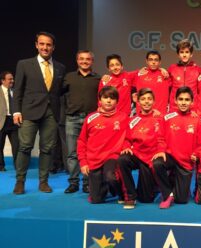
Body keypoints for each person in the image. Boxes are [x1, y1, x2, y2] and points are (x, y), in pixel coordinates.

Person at [12, 31, 66, 194]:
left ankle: (43, 182)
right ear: (36, 45)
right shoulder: (24, 64)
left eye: (48, 44)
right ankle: (20, 181)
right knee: (25, 147)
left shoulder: (60, 67)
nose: (45, 47)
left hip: (51, 113)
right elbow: (18, 90)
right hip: (28, 112)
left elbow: (59, 91)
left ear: (53, 47)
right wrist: (16, 112)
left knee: (47, 148)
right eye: (42, 44)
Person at [153, 86, 201, 209]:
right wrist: (161, 151)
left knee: (181, 200)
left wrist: (195, 154)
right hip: (171, 157)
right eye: (181, 99)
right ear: (175, 100)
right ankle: (168, 194)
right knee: (157, 163)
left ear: (192, 102)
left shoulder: (197, 120)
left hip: (186, 163)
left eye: (187, 100)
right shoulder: (167, 117)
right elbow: (161, 138)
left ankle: (176, 184)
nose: (183, 102)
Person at [77, 86, 128, 204]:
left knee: (110, 175)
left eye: (112, 98)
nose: (109, 101)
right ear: (100, 100)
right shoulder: (91, 118)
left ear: (117, 101)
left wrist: (125, 146)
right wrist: (83, 162)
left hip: (112, 156)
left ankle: (120, 191)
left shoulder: (123, 117)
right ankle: (103, 186)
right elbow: (81, 141)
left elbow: (129, 136)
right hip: (94, 159)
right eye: (105, 98)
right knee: (96, 200)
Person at [118, 88, 165, 209]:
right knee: (122, 159)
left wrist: (160, 151)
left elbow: (162, 139)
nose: (146, 102)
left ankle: (153, 186)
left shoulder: (160, 119)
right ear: (138, 102)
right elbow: (127, 139)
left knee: (146, 199)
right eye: (143, 99)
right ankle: (130, 195)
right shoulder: (133, 120)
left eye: (149, 99)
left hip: (151, 157)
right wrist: (127, 147)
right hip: (137, 155)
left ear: (154, 102)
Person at [63, 50, 101, 193]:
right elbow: (57, 95)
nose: (84, 61)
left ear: (92, 61)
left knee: (89, 153)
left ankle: (87, 183)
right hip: (72, 119)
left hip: (91, 120)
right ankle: (73, 183)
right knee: (72, 153)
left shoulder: (99, 79)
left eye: (88, 59)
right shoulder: (68, 77)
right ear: (77, 60)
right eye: (81, 59)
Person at [131, 50, 171, 115]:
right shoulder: (139, 74)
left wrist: (162, 69)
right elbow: (122, 77)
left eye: (156, 60)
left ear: (160, 62)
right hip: (142, 116)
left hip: (160, 115)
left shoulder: (165, 75)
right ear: (146, 61)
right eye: (150, 60)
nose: (153, 62)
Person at [168, 39, 201, 112]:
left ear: (191, 54)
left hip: (193, 110)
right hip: (175, 108)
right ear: (178, 54)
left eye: (187, 52)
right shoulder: (172, 69)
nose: (184, 55)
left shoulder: (198, 70)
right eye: (181, 52)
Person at [0, 71, 18, 171]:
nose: (12, 81)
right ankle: (1, 166)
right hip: (1, 121)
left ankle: (18, 166)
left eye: (12, 79)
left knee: (17, 146)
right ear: (3, 81)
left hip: (14, 122)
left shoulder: (15, 91)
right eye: (9, 79)